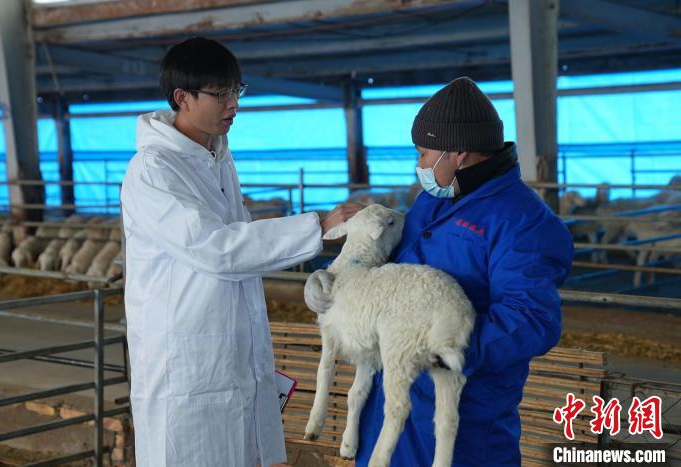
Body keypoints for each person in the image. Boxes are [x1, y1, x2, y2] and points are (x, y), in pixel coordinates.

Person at [305, 77, 574, 466]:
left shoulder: (523, 223)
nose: (420, 165)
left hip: (462, 422)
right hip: (387, 411)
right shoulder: (432, 201)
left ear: (459, 153)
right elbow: (384, 265)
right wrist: (331, 283)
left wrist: (439, 346)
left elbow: (531, 320)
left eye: (424, 152)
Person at [120, 37, 361, 467]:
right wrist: (319, 226)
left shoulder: (216, 159)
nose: (233, 104)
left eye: (237, 91)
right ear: (182, 98)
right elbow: (215, 249)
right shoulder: (153, 170)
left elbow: (240, 243)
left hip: (231, 352)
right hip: (187, 364)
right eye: (220, 93)